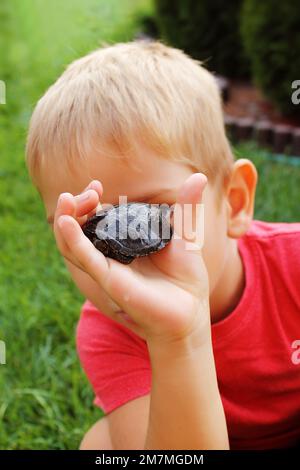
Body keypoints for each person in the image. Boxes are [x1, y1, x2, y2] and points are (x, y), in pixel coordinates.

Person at [25, 40, 300, 450]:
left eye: (152, 216)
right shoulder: (109, 332)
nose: (124, 262)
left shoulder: (293, 262)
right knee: (100, 446)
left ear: (234, 202)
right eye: (88, 233)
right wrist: (177, 339)